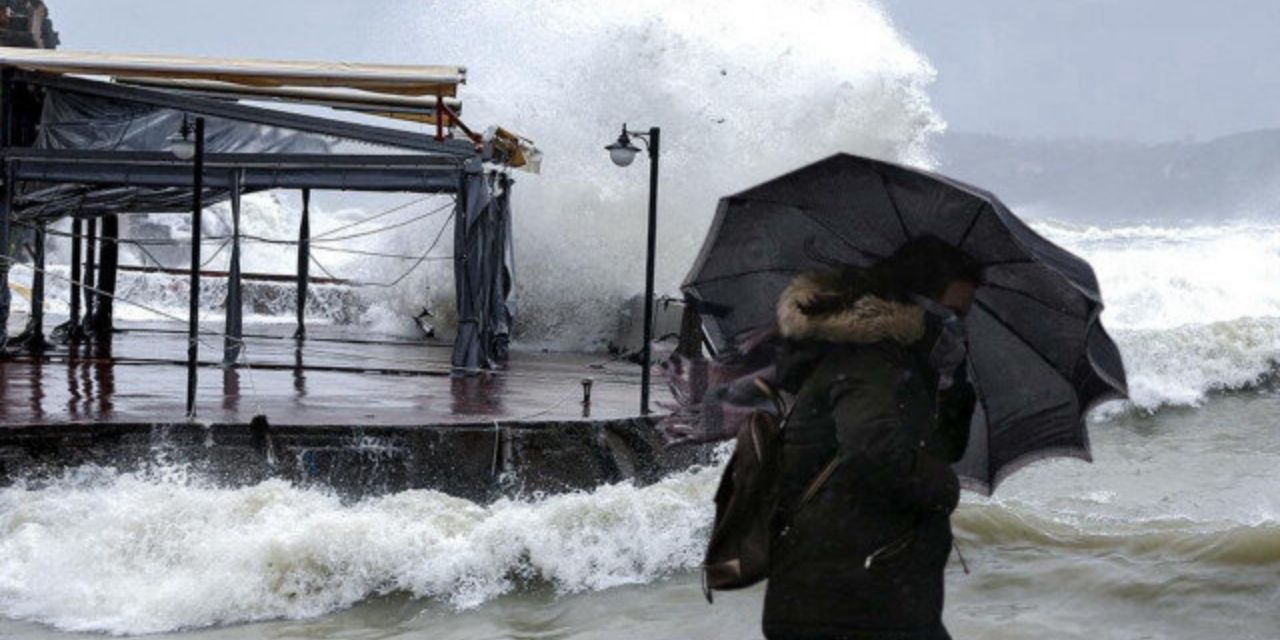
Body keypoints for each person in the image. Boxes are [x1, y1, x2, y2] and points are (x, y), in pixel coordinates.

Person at [762, 235, 981, 640]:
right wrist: (944, 487)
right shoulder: (868, 359)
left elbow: (943, 448)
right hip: (845, 596)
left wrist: (952, 385)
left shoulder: (909, 366)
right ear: (918, 304)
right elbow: (871, 447)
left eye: (963, 317)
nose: (956, 326)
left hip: (871, 590)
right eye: (950, 314)